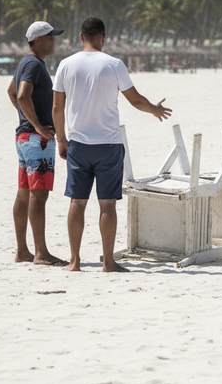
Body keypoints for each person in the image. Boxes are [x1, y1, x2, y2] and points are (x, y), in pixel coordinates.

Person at [52, 17, 172, 272]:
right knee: (107, 204)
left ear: (82, 37)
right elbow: (135, 100)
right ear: (103, 37)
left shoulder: (65, 65)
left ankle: (74, 262)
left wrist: (61, 140)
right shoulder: (114, 64)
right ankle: (108, 262)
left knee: (77, 202)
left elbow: (56, 107)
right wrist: (154, 110)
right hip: (108, 145)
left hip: (78, 144)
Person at [7, 21, 67, 266]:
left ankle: (22, 251)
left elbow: (11, 92)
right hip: (36, 139)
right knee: (38, 195)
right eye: (51, 37)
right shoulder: (33, 63)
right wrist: (39, 126)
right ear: (39, 40)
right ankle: (40, 253)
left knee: (24, 194)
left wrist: (25, 118)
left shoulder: (25, 62)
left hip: (24, 137)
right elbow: (21, 94)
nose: (55, 41)